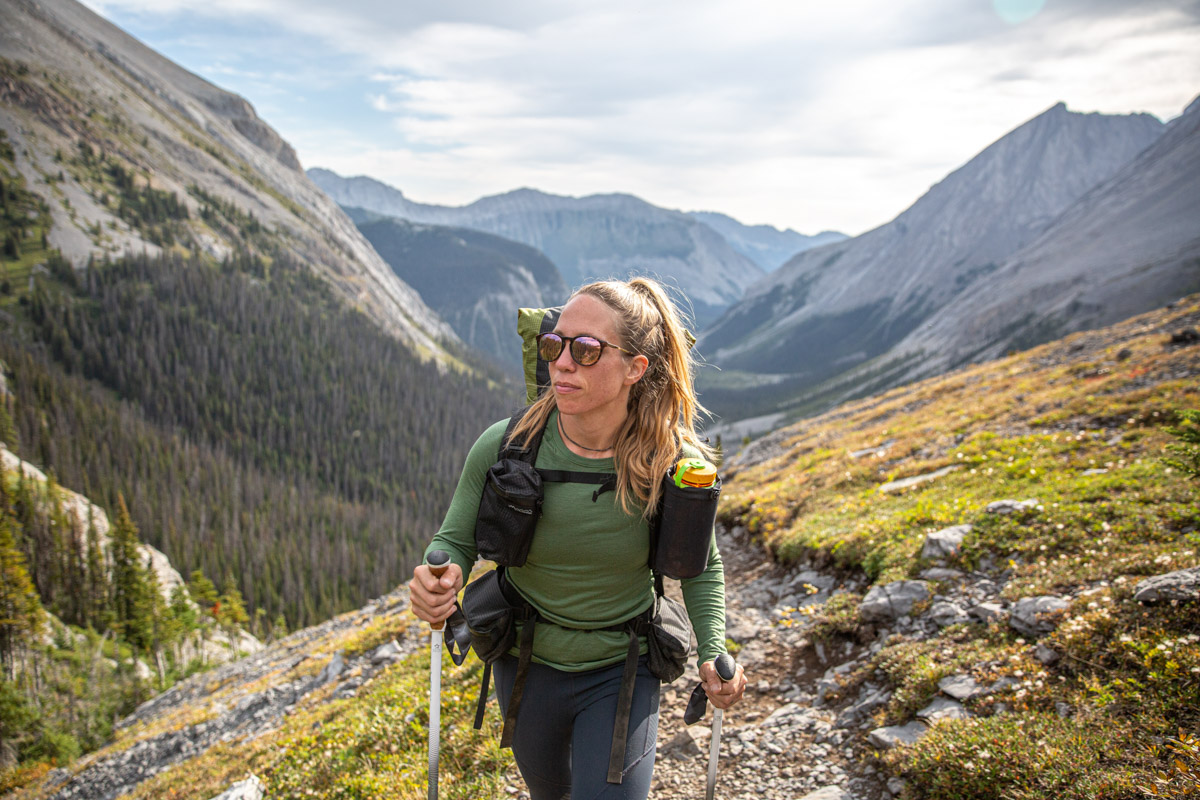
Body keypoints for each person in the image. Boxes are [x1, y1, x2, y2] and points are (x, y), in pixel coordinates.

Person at [409, 277, 746, 800]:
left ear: (636, 368)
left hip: (623, 668)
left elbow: (701, 566)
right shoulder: (505, 446)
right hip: (524, 660)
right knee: (551, 793)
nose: (562, 362)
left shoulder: (674, 467)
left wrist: (714, 649)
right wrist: (440, 576)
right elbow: (453, 541)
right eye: (554, 345)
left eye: (587, 350)